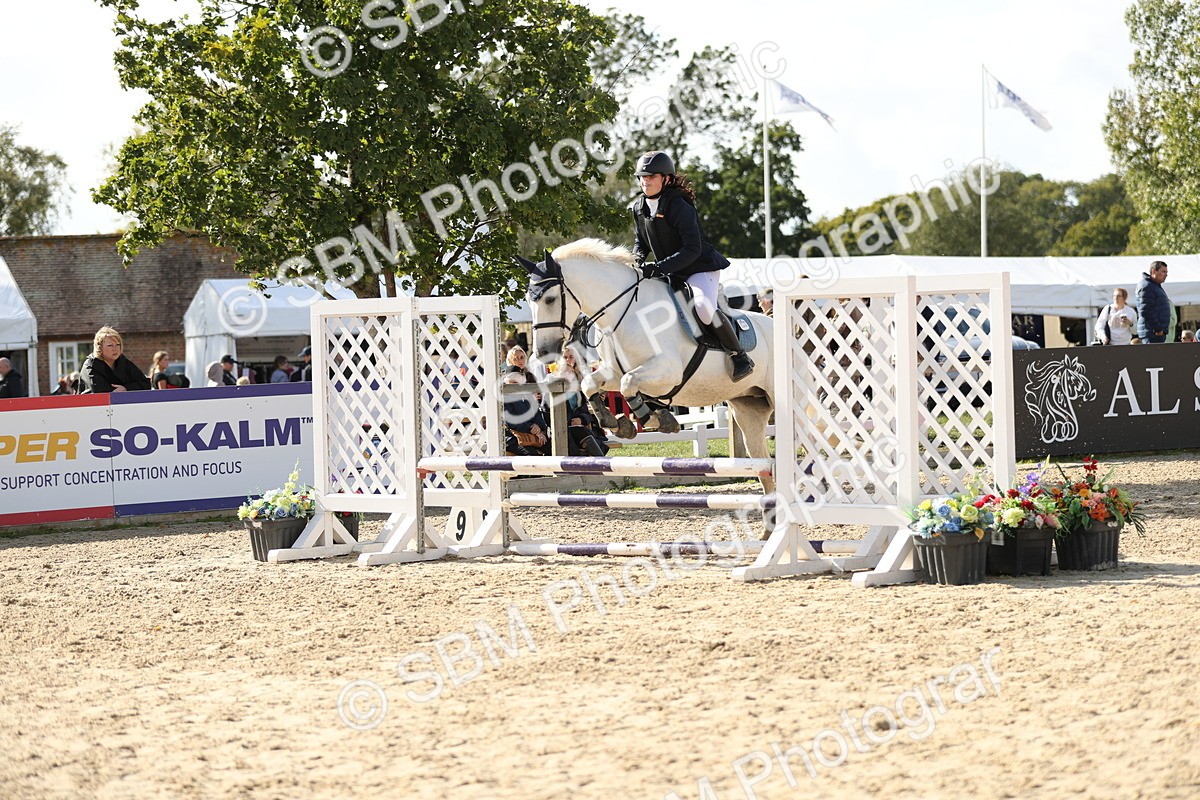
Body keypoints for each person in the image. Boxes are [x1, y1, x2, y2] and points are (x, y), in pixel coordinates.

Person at [630, 150, 753, 381]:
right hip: (672, 272)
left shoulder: (679, 206)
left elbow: (692, 249)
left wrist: (658, 268)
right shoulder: (639, 207)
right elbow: (641, 242)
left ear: (666, 179)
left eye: (651, 176)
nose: (645, 181)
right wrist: (636, 260)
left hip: (699, 268)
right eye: (642, 177)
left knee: (704, 307)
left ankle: (739, 355)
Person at [555, 348, 609, 456]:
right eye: (565, 357)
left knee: (583, 431)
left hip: (579, 425)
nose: (568, 360)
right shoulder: (554, 385)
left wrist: (581, 419)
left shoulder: (579, 385)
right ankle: (601, 461)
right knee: (582, 432)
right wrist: (571, 421)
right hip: (561, 427)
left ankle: (598, 461)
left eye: (571, 357)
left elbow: (585, 410)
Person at [79, 327, 152, 393]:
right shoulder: (91, 365)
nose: (115, 349)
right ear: (99, 348)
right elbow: (99, 390)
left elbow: (145, 383)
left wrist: (126, 388)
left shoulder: (123, 361)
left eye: (117, 344)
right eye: (110, 345)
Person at [1137, 261, 1171, 344]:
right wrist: (1158, 329)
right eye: (1163, 271)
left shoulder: (1154, 286)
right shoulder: (1147, 286)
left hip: (1154, 333)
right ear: (1153, 271)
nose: (1166, 274)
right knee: (1153, 356)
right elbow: (1145, 311)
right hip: (1152, 334)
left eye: (1166, 272)